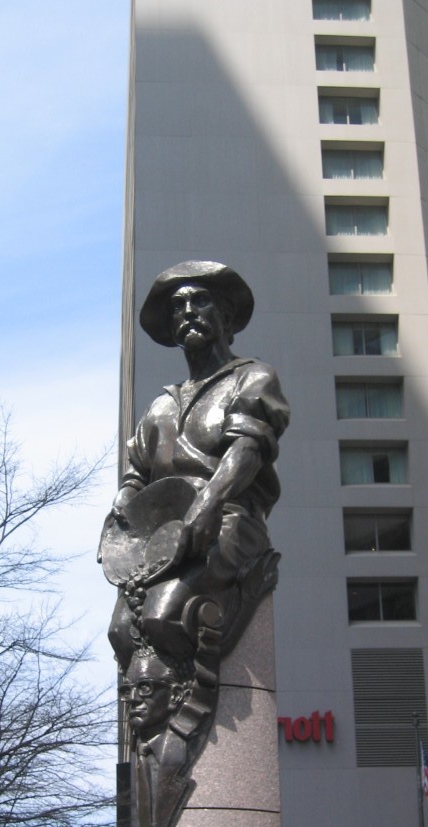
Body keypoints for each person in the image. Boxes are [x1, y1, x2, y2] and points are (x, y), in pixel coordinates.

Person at [101, 260, 290, 675]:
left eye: (200, 301)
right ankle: (153, 703)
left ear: (226, 316)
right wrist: (122, 505)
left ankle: (196, 695)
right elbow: (137, 474)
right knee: (122, 632)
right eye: (177, 306)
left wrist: (208, 503)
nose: (187, 312)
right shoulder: (160, 407)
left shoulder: (252, 378)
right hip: (159, 535)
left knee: (162, 617)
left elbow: (248, 448)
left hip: (226, 520)